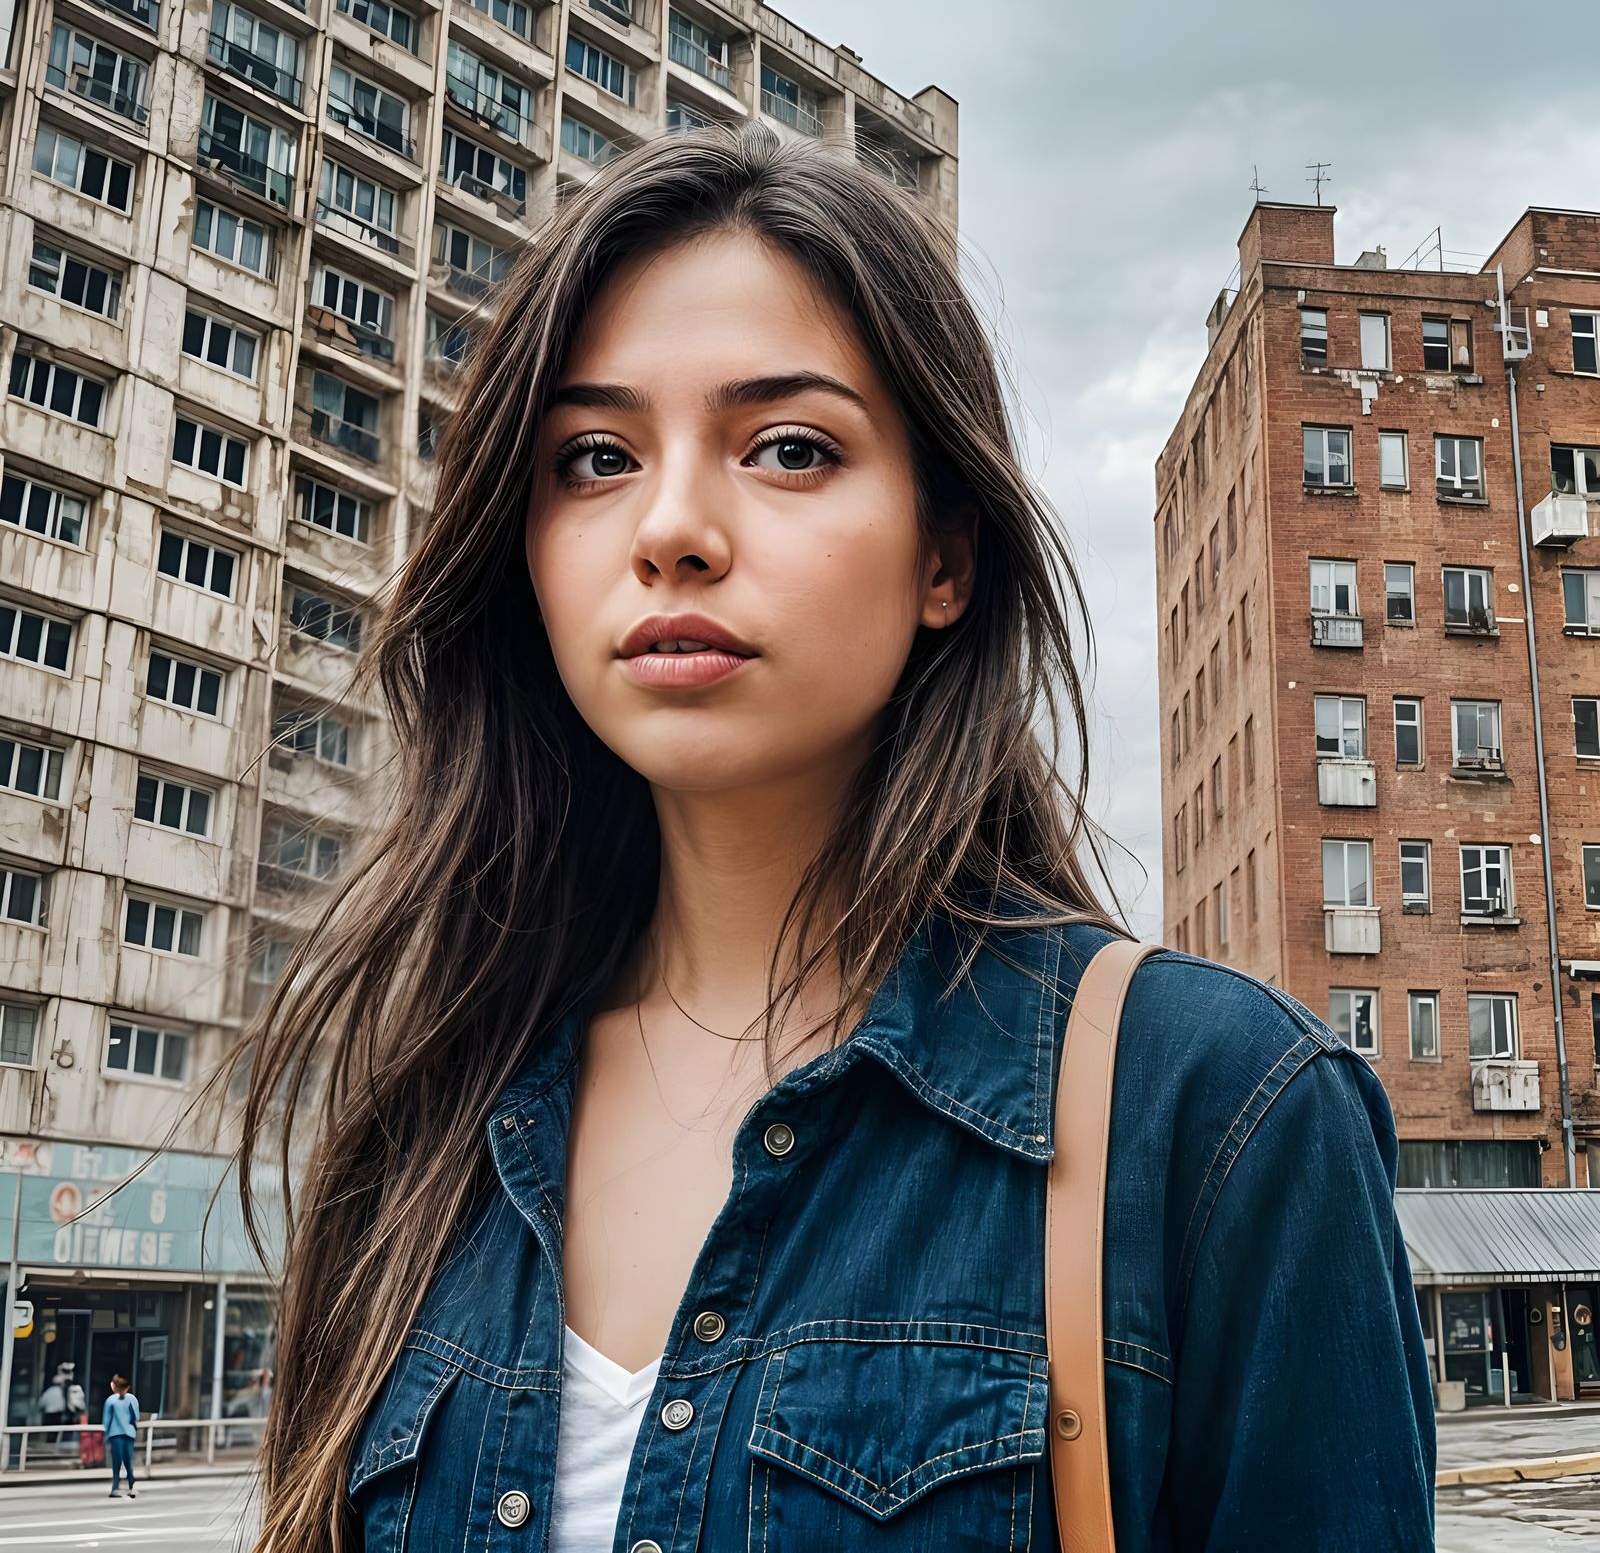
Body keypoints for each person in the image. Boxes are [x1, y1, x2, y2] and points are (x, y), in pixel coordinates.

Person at [236, 124, 1436, 1551]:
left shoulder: (1220, 1113)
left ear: (945, 558)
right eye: (595, 457)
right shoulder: (428, 1114)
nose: (671, 528)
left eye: (790, 449)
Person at [102, 1375, 138, 1498]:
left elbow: (107, 1420)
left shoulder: (112, 1401)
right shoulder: (126, 1400)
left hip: (119, 1434)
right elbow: (135, 1417)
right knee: (123, 1461)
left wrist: (106, 1435)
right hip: (123, 1434)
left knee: (122, 1461)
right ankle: (123, 1486)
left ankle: (123, 1486)